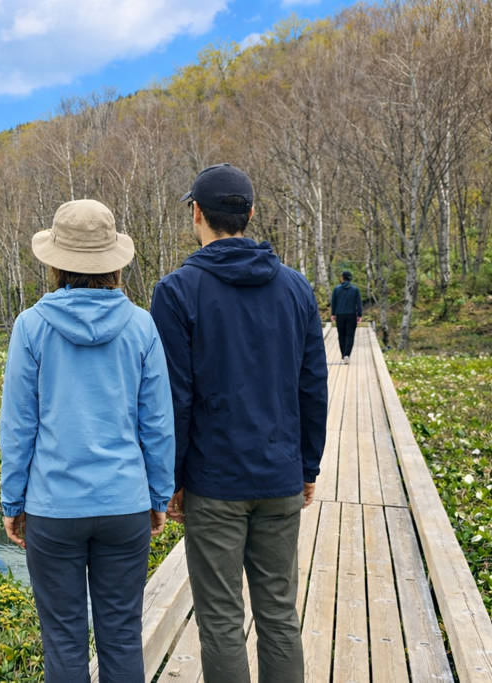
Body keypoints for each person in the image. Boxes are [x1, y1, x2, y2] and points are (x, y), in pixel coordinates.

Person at [149, 164, 328, 683]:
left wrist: (172, 481)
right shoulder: (296, 289)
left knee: (221, 620)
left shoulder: (176, 291)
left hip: (214, 483)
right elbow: (312, 386)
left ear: (197, 214)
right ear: (250, 213)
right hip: (279, 477)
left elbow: (174, 400)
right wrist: (307, 465)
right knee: (279, 615)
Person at [0, 199, 176, 683]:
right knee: (121, 635)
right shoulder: (141, 325)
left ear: (56, 263)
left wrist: (13, 501)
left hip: (54, 509)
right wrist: (158, 495)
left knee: (63, 640)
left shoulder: (31, 326)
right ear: (113, 261)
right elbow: (157, 423)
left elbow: (19, 426)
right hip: (124, 506)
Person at [330, 270, 363, 363]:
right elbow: (358, 303)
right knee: (350, 335)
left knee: (341, 335)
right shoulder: (355, 290)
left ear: (342, 278)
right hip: (351, 315)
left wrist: (333, 314)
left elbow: (334, 303)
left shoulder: (336, 289)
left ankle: (343, 354)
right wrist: (359, 315)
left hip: (340, 315)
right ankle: (347, 354)